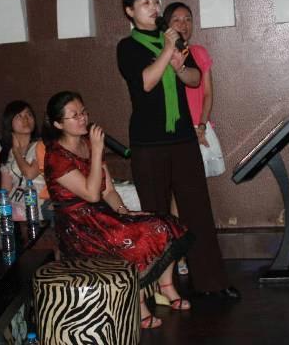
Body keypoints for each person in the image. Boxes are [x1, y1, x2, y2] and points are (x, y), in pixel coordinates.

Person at [117, 0, 239, 300]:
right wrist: (167, 51)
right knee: (155, 218)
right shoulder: (127, 47)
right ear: (130, 11)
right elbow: (146, 82)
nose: (154, 7)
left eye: (156, 1)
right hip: (148, 144)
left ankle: (213, 282)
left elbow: (194, 78)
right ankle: (155, 288)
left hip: (183, 138)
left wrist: (179, 64)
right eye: (145, 3)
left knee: (198, 211)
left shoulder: (174, 39)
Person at [43, 91, 194, 329]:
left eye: (84, 112)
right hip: (79, 227)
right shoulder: (56, 157)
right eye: (75, 115)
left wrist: (125, 212)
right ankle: (138, 303)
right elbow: (91, 194)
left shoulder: (88, 144)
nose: (83, 118)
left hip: (102, 215)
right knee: (138, 237)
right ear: (58, 124)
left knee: (165, 223)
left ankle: (166, 287)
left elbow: (108, 191)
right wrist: (96, 150)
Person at [163, 1, 225, 177]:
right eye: (176, 20)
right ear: (166, 25)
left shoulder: (199, 52)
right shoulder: (162, 57)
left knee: (196, 183)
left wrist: (202, 126)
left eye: (188, 19)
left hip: (200, 129)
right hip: (175, 131)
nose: (183, 25)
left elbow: (208, 93)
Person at [0, 100, 46, 221]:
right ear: (9, 122)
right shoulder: (8, 152)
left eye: (29, 114)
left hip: (35, 200)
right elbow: (6, 188)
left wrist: (16, 152)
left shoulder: (41, 145)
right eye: (19, 116)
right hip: (15, 199)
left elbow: (30, 174)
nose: (26, 119)